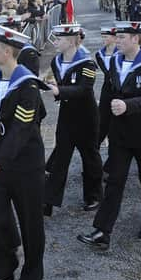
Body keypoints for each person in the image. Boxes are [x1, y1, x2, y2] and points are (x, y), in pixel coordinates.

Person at [79, 21, 141, 250]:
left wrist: (128, 106)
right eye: (117, 37)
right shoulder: (115, 61)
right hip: (120, 134)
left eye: (122, 37)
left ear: (136, 39)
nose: (117, 41)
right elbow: (109, 95)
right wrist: (101, 129)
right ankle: (102, 231)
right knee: (114, 181)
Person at [0, 24, 47, 280]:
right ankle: (3, 270)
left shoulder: (26, 84)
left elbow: (21, 130)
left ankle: (32, 275)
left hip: (26, 163)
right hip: (3, 159)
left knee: (31, 222)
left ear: (7, 51)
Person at [43, 25, 102, 217]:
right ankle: (49, 200)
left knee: (90, 157)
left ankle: (93, 196)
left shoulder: (87, 63)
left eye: (59, 39)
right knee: (60, 157)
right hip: (67, 116)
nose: (56, 42)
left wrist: (60, 91)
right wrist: (53, 86)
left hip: (86, 117)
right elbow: (61, 84)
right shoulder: (56, 61)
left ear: (70, 41)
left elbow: (85, 89)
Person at [95, 26, 117, 145]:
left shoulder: (120, 53)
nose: (103, 39)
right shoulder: (99, 54)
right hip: (107, 88)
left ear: (114, 38)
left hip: (118, 89)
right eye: (102, 37)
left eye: (106, 37)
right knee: (103, 116)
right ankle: (97, 142)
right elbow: (106, 72)